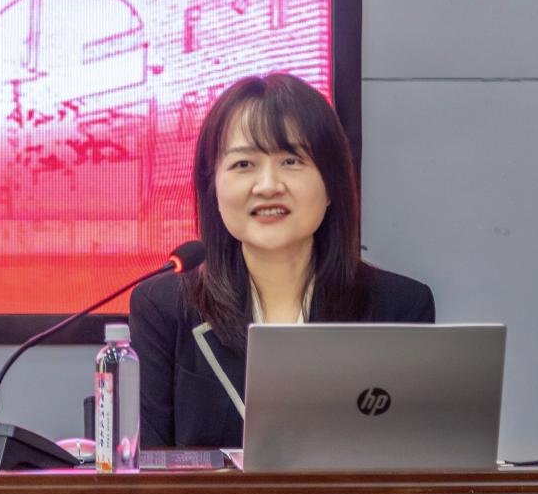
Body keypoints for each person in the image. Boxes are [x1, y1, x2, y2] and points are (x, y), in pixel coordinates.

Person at [129, 73, 435, 448]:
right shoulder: (164, 308)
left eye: (291, 160)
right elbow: (146, 467)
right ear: (213, 188)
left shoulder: (399, 306)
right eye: (244, 164)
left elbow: (412, 461)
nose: (268, 186)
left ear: (332, 185)